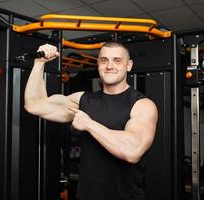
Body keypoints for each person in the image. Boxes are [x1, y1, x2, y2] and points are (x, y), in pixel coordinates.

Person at [24, 41, 158, 200]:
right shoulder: (83, 100)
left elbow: (132, 151)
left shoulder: (142, 105)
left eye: (117, 60)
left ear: (128, 65)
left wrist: (89, 124)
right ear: (98, 64)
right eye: (104, 60)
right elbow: (34, 105)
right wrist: (39, 63)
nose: (109, 66)